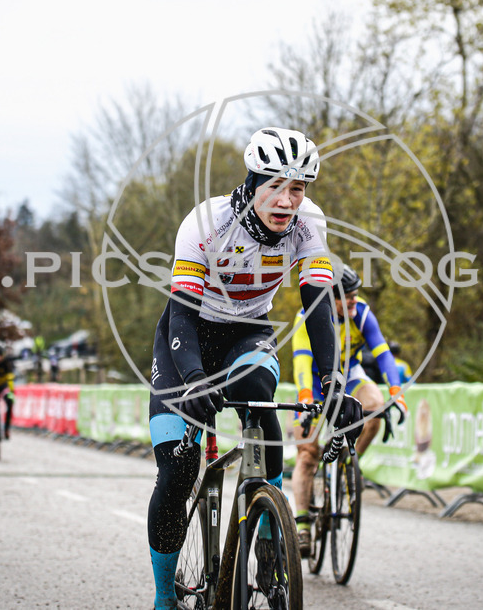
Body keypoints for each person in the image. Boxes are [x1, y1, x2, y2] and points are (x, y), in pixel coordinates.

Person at [145, 127, 363, 610]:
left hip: (248, 333)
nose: (287, 200)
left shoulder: (309, 224)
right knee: (176, 473)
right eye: (276, 186)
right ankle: (164, 599)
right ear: (252, 182)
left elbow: (318, 307)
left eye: (298, 188)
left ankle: (269, 541)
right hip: (188, 338)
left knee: (260, 397)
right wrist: (194, 379)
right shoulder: (207, 222)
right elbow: (181, 313)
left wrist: (332, 383)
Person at [290, 264, 408, 554]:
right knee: (307, 454)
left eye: (356, 294)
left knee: (376, 409)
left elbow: (383, 353)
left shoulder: (362, 313)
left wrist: (396, 392)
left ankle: (346, 465)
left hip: (349, 375)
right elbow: (301, 360)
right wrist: (305, 398)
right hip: (315, 382)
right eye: (348, 297)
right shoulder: (307, 316)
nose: (355, 300)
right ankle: (303, 525)